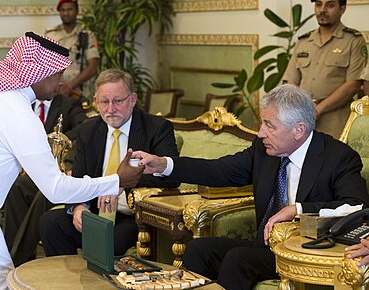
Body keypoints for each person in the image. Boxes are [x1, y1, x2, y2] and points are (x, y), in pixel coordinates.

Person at [0, 32, 143, 289]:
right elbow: (55, 189)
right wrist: (116, 180)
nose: (62, 84)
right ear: (39, 73)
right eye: (58, 75)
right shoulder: (16, 112)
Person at [133, 84, 369, 289]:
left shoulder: (338, 157)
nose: (261, 133)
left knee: (239, 258)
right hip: (264, 247)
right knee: (198, 250)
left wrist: (298, 209)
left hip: (306, 254)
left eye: (269, 125)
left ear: (299, 129)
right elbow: (218, 170)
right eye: (261, 123)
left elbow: (357, 206)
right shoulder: (264, 150)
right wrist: (164, 164)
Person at [39, 68, 180, 257]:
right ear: (96, 102)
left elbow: (172, 178)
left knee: (108, 240)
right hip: (96, 211)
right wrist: (79, 207)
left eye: (118, 101)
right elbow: (79, 177)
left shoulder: (156, 128)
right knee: (50, 222)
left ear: (132, 99)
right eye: (104, 102)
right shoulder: (88, 130)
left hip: (131, 216)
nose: (110, 109)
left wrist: (119, 185)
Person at [2, 94, 87, 258]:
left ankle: (17, 257)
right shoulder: (22, 104)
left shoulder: (68, 104)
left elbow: (83, 126)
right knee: (16, 187)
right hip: (29, 171)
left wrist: (54, 140)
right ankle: (14, 251)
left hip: (58, 172)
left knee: (45, 192)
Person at [282, 0, 367, 139]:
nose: (322, 10)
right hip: (302, 119)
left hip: (337, 120)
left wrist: (318, 109)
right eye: (318, 4)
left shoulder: (354, 40)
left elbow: (353, 84)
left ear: (342, 9)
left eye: (330, 5)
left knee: (333, 160)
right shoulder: (304, 41)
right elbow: (291, 80)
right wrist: (300, 110)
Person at [44, 0, 99, 99]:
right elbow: (43, 64)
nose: (66, 13)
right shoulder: (50, 35)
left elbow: (92, 67)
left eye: (70, 9)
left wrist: (70, 86)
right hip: (55, 92)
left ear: (77, 11)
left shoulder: (87, 35)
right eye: (63, 10)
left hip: (80, 94)